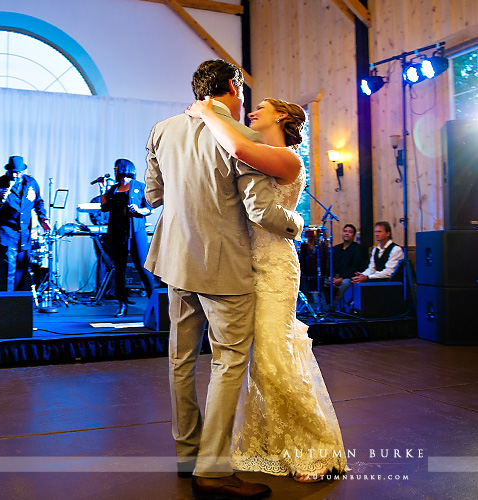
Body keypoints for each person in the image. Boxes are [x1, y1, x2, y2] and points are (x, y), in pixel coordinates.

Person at [145, 59, 304, 499]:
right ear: (233, 86)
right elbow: (260, 213)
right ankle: (213, 470)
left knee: (180, 359)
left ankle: (186, 457)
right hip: (224, 267)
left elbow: (153, 195)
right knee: (228, 361)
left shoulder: (162, 129)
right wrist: (297, 225)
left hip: (175, 260)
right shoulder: (246, 140)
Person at [185, 94, 347, 482]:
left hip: (275, 267)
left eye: (264, 107)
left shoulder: (289, 157)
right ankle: (272, 442)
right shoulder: (260, 152)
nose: (253, 111)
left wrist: (207, 112)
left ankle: (316, 450)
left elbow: (237, 145)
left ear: (284, 117)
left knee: (275, 354)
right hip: (243, 266)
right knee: (258, 359)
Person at [0, 156, 51, 292]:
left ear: (23, 171)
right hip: (5, 235)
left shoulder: (31, 183)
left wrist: (43, 218)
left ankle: (19, 305)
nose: (14, 175)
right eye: (11, 172)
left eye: (17, 172)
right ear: (7, 171)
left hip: (24, 235)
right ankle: (4, 306)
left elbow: (38, 202)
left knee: (22, 272)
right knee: (7, 272)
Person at [100, 158, 156, 316]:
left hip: (136, 231)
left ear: (125, 168)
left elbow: (149, 209)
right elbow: (104, 208)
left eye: (116, 167)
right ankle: (122, 303)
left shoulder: (140, 187)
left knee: (142, 267)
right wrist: (103, 189)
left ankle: (154, 302)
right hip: (118, 233)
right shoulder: (114, 188)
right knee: (119, 269)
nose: (115, 170)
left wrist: (138, 210)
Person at [330, 224, 368, 302]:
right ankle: (325, 307)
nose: (347, 233)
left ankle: (340, 307)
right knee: (320, 280)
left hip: (349, 277)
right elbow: (330, 264)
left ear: (353, 236)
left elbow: (356, 267)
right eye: (345, 231)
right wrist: (329, 276)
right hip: (335, 276)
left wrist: (341, 279)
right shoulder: (336, 248)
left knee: (345, 283)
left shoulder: (358, 249)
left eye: (350, 232)